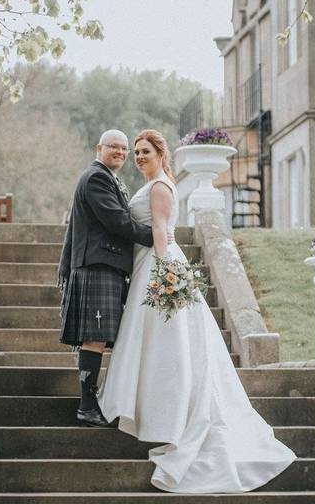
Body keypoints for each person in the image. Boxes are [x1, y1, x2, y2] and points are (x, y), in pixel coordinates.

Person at [99, 129, 295, 493]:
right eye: (137, 152)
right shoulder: (156, 184)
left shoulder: (159, 187)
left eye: (146, 151)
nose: (139, 156)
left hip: (158, 266)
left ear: (161, 155)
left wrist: (161, 274)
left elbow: (160, 228)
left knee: (167, 343)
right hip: (153, 263)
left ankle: (168, 415)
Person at [57, 129, 153, 427]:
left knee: (97, 336)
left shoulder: (104, 177)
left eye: (125, 149)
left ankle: (91, 402)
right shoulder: (96, 177)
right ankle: (87, 406)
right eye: (115, 147)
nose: (121, 153)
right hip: (97, 265)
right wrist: (155, 237)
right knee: (94, 337)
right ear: (99, 147)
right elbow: (116, 220)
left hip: (100, 264)